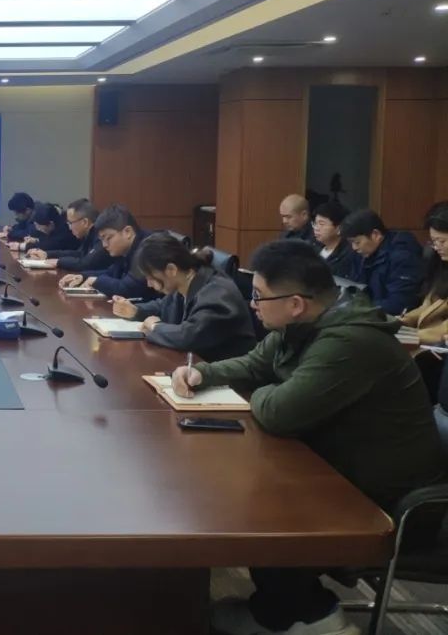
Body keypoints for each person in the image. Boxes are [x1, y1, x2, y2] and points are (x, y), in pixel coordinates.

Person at [171, 240, 445, 635]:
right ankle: (281, 608)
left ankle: (309, 615)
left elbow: (279, 413)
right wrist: (203, 374)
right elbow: (256, 363)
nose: (252, 304)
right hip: (338, 468)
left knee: (256, 497)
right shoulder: (303, 325)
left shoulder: (349, 342)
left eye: (259, 296)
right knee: (248, 480)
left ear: (296, 303)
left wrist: (260, 393)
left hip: (387, 499)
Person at [110, 233, 255, 361]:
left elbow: (189, 336)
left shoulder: (218, 293)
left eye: (151, 277)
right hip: (195, 368)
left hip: (226, 378)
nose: (148, 284)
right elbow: (163, 305)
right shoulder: (186, 280)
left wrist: (155, 327)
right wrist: (136, 311)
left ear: (171, 269)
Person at [57, 204, 158, 300]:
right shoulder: (125, 250)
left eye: (108, 238)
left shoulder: (147, 249)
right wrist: (83, 276)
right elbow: (112, 272)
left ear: (127, 232)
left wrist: (96, 281)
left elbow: (127, 289)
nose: (104, 245)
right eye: (102, 240)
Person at [400, 203, 448, 403]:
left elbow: (442, 331)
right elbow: (427, 306)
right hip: (428, 343)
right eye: (434, 241)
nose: (437, 247)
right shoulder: (441, 265)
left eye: (442, 241)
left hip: (438, 349)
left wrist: (403, 336)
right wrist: (399, 322)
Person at [341, 208, 424, 315]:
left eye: (357, 242)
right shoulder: (363, 253)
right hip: (369, 311)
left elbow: (399, 303)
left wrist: (357, 309)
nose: (354, 248)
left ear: (376, 235)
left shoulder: (403, 256)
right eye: (351, 243)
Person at [25, 198, 111, 271]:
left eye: (71, 223)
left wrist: (58, 262)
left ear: (85, 222)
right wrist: (47, 254)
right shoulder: (88, 234)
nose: (69, 228)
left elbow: (85, 264)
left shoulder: (101, 237)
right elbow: (79, 254)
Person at [311, 200, 356, 278]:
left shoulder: (348, 255)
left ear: (339, 229)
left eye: (321, 224)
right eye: (315, 223)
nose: (316, 228)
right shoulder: (313, 247)